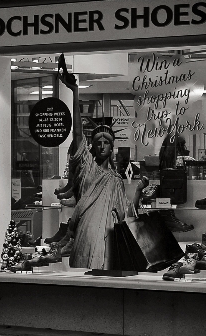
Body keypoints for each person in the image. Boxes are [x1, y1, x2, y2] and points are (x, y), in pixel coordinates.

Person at [57, 60, 145, 270]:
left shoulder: (115, 179)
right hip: (86, 231)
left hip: (109, 234)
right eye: (98, 142)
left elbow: (127, 213)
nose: (102, 146)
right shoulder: (86, 166)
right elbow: (77, 134)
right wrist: (75, 91)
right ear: (92, 147)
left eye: (106, 142)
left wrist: (139, 191)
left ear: (112, 147)